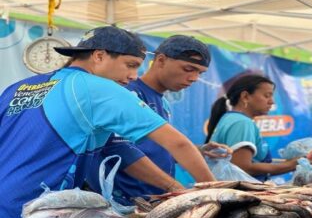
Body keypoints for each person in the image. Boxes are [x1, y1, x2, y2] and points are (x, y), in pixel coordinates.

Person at [0, 26, 216, 218]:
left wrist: (172, 186)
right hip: (33, 215)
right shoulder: (99, 88)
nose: (134, 76)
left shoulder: (18, 87)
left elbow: (115, 147)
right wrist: (216, 193)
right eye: (130, 65)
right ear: (99, 56)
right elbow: (176, 142)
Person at [86, 35, 230, 205]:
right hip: (126, 202)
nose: (194, 78)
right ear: (160, 60)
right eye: (188, 69)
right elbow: (120, 149)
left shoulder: (163, 102)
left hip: (155, 199)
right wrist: (209, 189)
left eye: (200, 72)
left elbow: (153, 148)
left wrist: (198, 150)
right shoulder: (127, 94)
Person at [205, 72, 299, 182]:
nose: (272, 102)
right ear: (245, 96)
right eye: (267, 96)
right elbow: (244, 167)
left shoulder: (232, 118)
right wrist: (292, 164)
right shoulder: (242, 123)